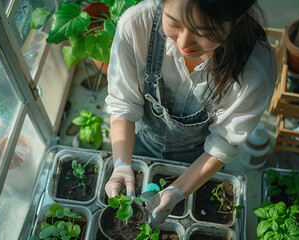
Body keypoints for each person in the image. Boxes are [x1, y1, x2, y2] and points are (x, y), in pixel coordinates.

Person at [104, 0, 277, 227]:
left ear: (237, 19)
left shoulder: (255, 70)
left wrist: (178, 190)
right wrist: (122, 164)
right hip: (142, 138)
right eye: (174, 23)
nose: (184, 42)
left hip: (199, 156)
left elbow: (223, 143)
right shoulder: (137, 25)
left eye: (204, 32)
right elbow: (123, 104)